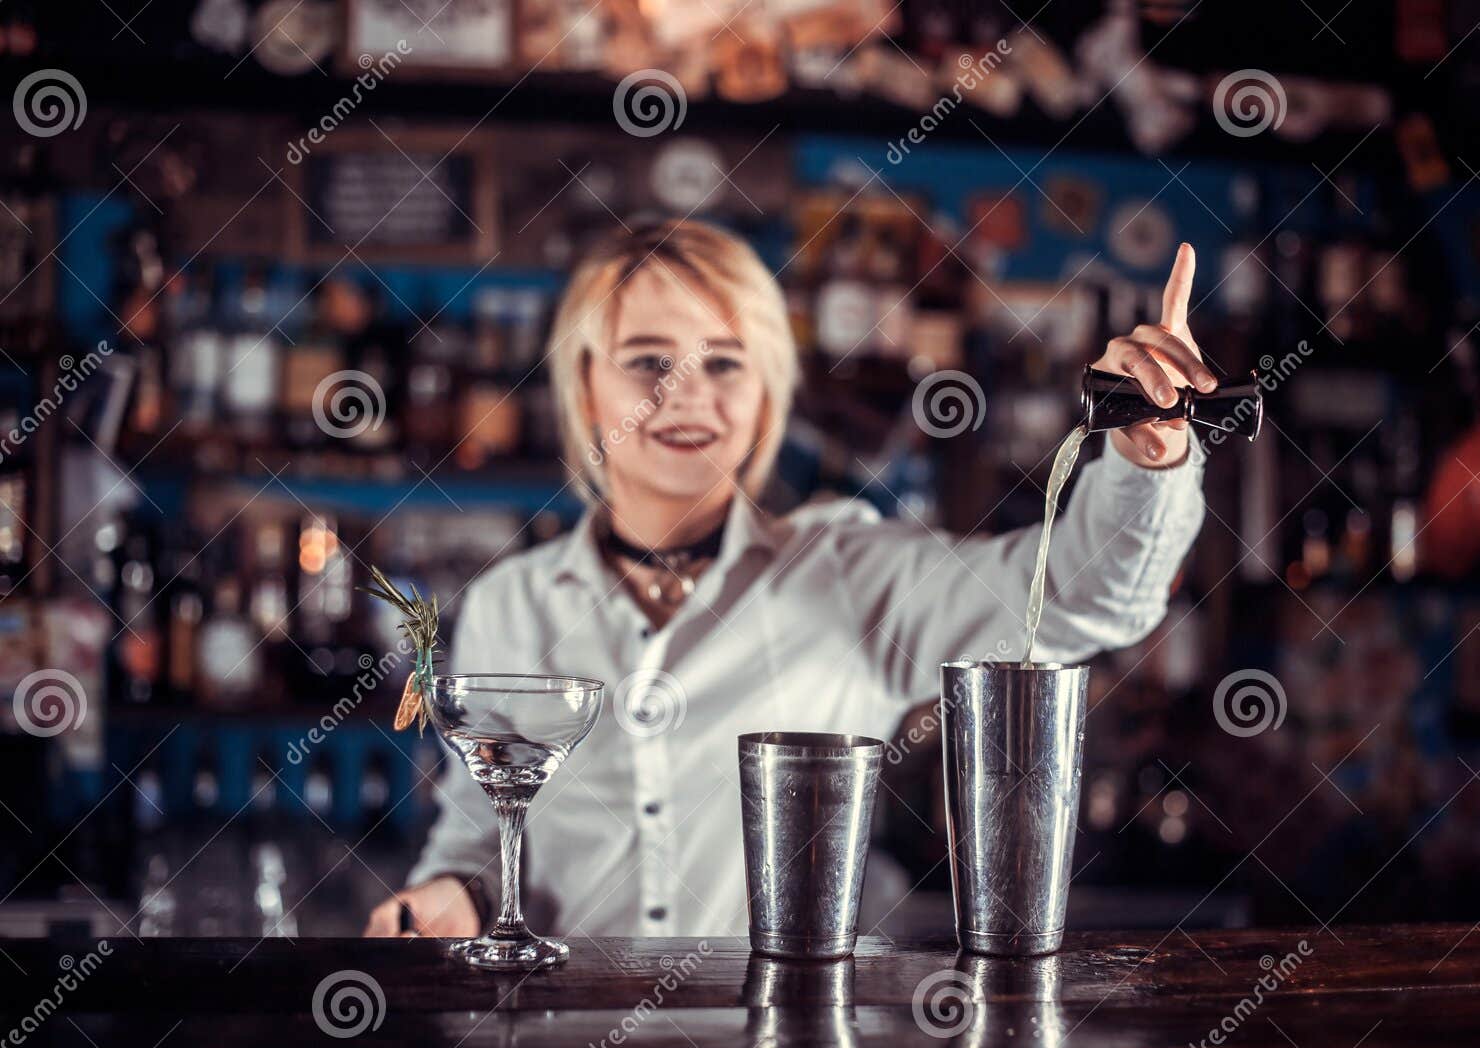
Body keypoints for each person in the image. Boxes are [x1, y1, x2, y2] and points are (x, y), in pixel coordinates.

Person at [365, 219, 1214, 940]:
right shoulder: (509, 603)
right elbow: (481, 829)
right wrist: (454, 897)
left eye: (725, 363)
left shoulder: (851, 573)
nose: (685, 395)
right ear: (586, 389)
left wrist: (1149, 455)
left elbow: (1085, 598)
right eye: (645, 360)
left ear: (768, 392)